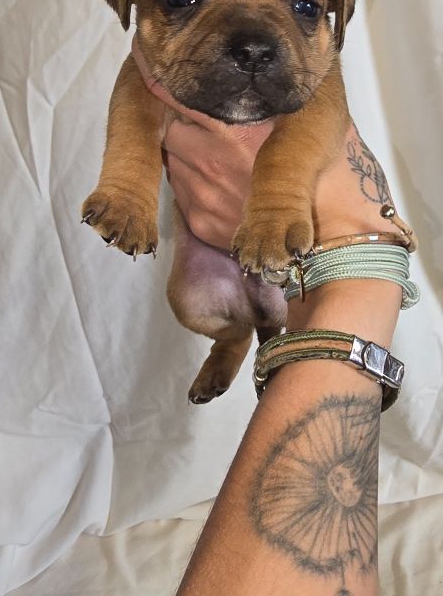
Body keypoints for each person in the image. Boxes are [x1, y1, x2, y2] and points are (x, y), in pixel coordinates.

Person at [146, 83, 410, 596]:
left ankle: (258, 331)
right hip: (240, 262)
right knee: (195, 303)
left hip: (294, 262)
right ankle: (235, 339)